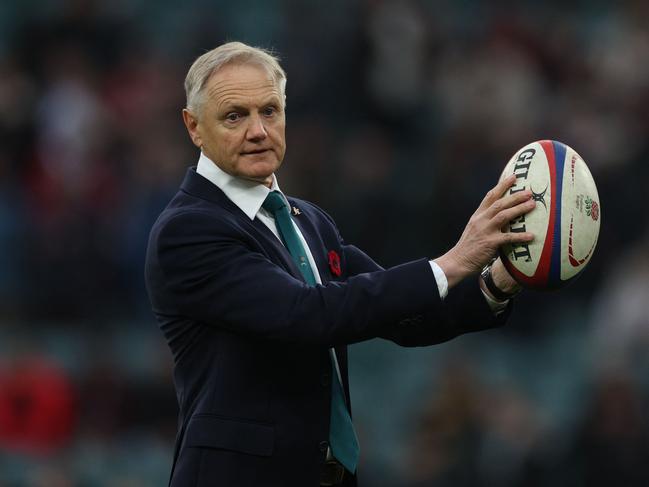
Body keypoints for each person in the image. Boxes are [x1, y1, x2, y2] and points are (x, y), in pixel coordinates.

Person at [144, 41, 535, 487]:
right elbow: (306, 314)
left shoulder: (309, 222)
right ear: (193, 127)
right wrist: (455, 259)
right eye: (235, 116)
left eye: (269, 111)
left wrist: (501, 277)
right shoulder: (188, 229)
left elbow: (405, 313)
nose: (258, 130)